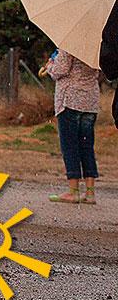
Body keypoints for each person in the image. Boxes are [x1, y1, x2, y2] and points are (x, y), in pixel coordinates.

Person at [46, 49, 100, 204]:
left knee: (70, 146)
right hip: (90, 101)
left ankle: (73, 191)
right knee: (87, 146)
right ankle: (90, 192)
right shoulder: (96, 47)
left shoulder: (69, 46)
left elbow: (59, 71)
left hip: (70, 100)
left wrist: (50, 66)